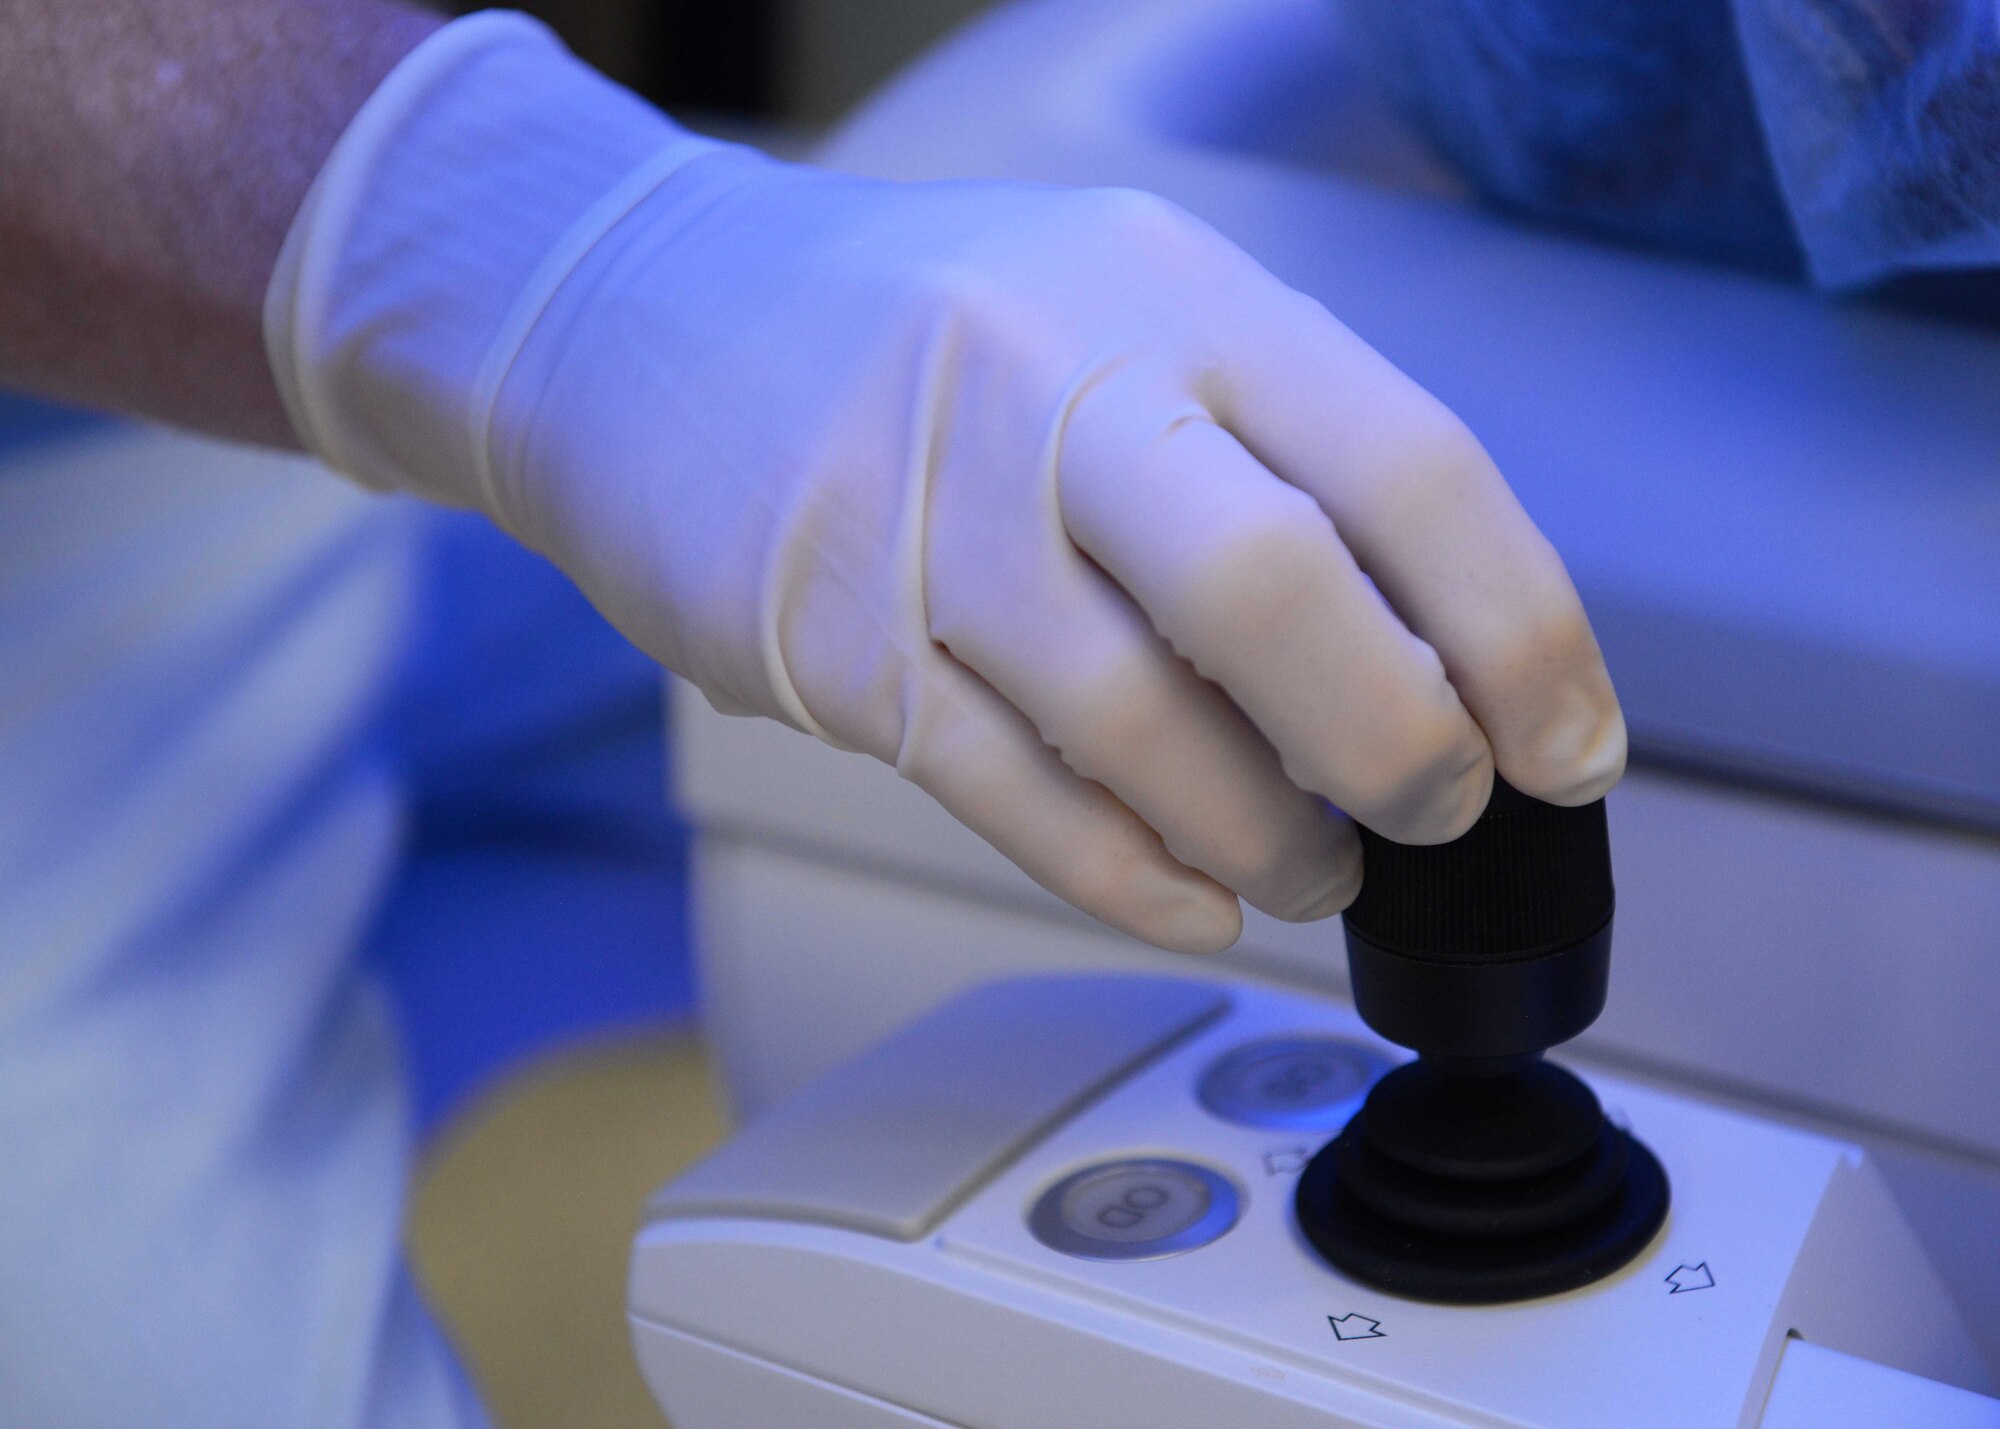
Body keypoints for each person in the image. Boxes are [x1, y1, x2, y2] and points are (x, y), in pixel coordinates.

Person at [0, 2, 1625, 1424]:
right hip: (96, 444)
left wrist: (589, 256)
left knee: (1121, 638)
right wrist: (530, 245)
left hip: (275, 320)